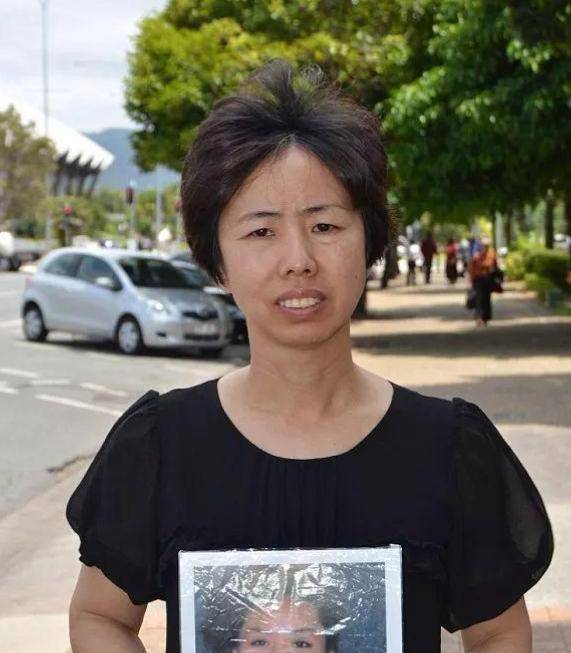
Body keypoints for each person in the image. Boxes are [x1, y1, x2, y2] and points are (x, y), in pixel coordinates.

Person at [66, 61, 553, 653]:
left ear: (368, 241)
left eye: (324, 225)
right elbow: (100, 617)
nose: (298, 260)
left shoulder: (449, 446)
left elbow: (500, 632)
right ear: (218, 261)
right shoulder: (160, 444)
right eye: (261, 231)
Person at [469, 235, 498, 326]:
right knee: (479, 298)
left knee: (487, 298)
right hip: (479, 279)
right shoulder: (477, 255)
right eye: (484, 245)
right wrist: (472, 279)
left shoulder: (492, 254)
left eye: (487, 245)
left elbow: (495, 266)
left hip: (488, 279)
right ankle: (479, 317)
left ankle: (486, 317)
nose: (485, 247)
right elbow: (473, 268)